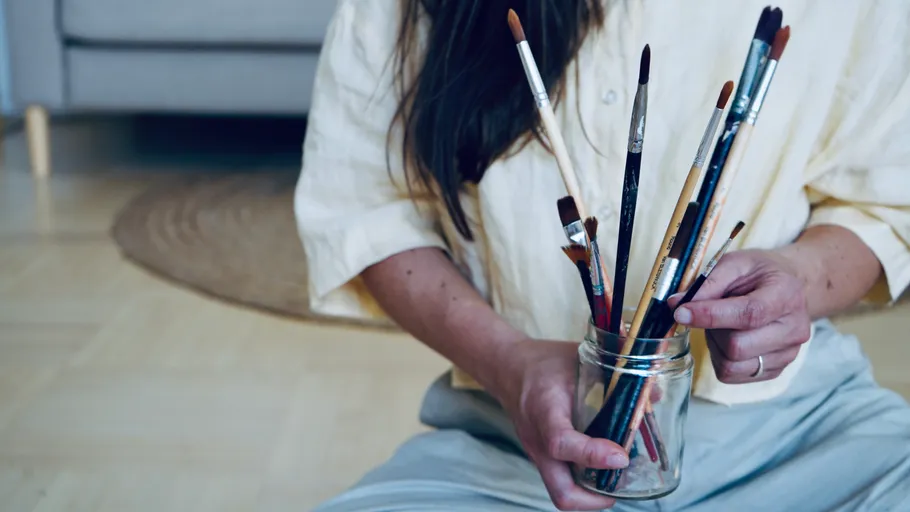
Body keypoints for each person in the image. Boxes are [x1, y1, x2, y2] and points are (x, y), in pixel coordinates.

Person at [295, 0, 910, 510]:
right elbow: (365, 210)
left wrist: (799, 278)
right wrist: (511, 364)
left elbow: (884, 200)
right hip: (511, 444)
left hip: (800, 431)